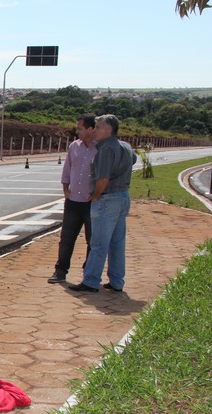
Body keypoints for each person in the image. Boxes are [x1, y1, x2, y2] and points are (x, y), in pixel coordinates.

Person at [69, 114, 136, 293]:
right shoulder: (125, 146)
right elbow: (134, 160)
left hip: (107, 198)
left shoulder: (105, 149)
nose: (95, 130)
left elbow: (103, 178)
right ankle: (116, 280)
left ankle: (90, 281)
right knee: (117, 242)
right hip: (122, 196)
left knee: (99, 243)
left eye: (98, 127)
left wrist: (96, 196)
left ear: (108, 129)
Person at [47, 114, 97, 283]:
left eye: (80, 129)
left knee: (92, 240)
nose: (77, 132)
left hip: (92, 203)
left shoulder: (101, 148)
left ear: (91, 129)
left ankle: (88, 274)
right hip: (73, 200)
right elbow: (67, 169)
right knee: (67, 238)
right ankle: (60, 271)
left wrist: (96, 194)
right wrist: (65, 190)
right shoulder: (74, 146)